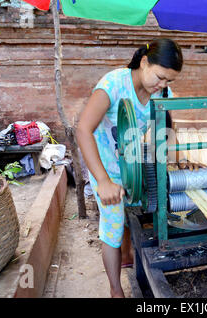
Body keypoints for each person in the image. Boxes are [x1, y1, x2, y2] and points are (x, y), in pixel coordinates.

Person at [76, 39, 186, 298]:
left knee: (138, 210)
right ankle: (116, 290)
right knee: (112, 225)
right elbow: (83, 130)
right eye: (161, 77)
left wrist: (178, 162)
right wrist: (103, 181)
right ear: (145, 62)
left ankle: (128, 255)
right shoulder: (112, 85)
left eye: (169, 81)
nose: (163, 86)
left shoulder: (160, 92)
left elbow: (167, 131)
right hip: (106, 168)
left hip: (133, 166)